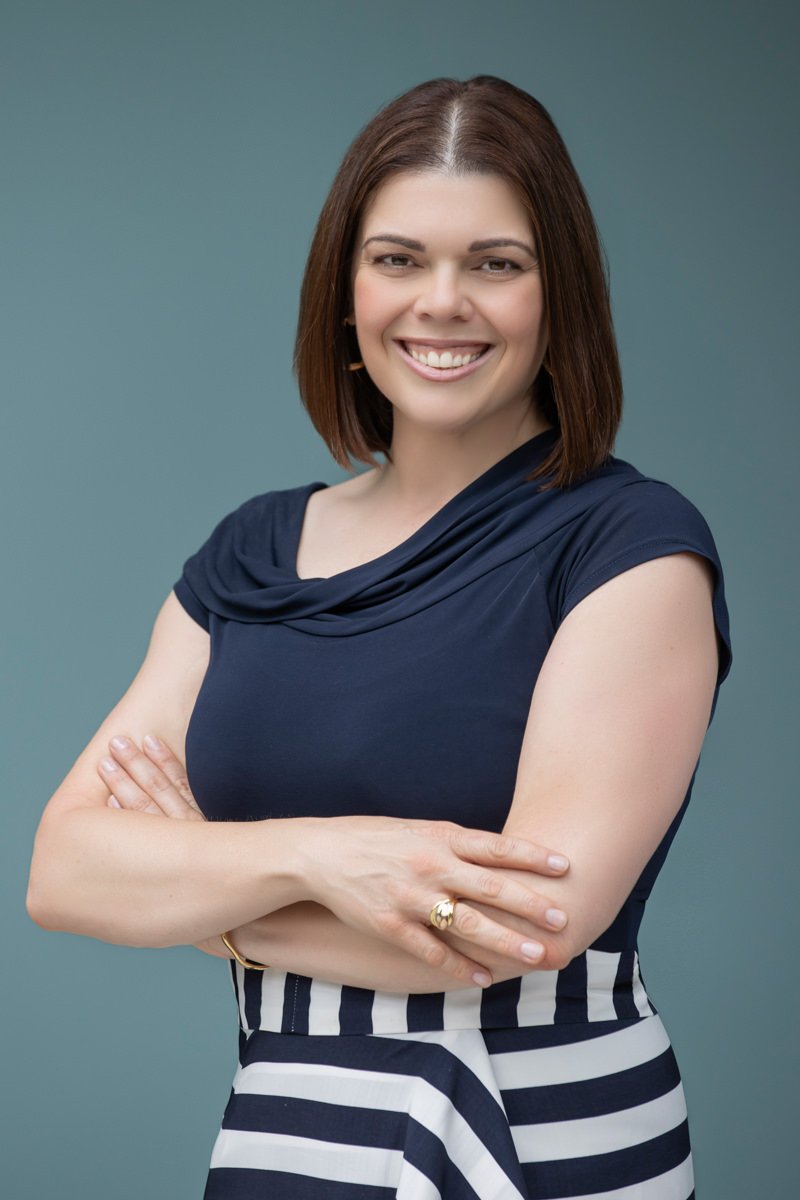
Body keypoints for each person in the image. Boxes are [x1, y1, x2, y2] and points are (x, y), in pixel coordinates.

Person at [27, 74, 732, 1199]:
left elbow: (519, 932)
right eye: (397, 259)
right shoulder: (248, 555)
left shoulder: (629, 545)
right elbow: (65, 870)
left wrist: (206, 910)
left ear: (559, 297)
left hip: (541, 1132)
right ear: (344, 292)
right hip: (287, 1134)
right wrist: (319, 856)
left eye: (494, 264)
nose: (439, 302)